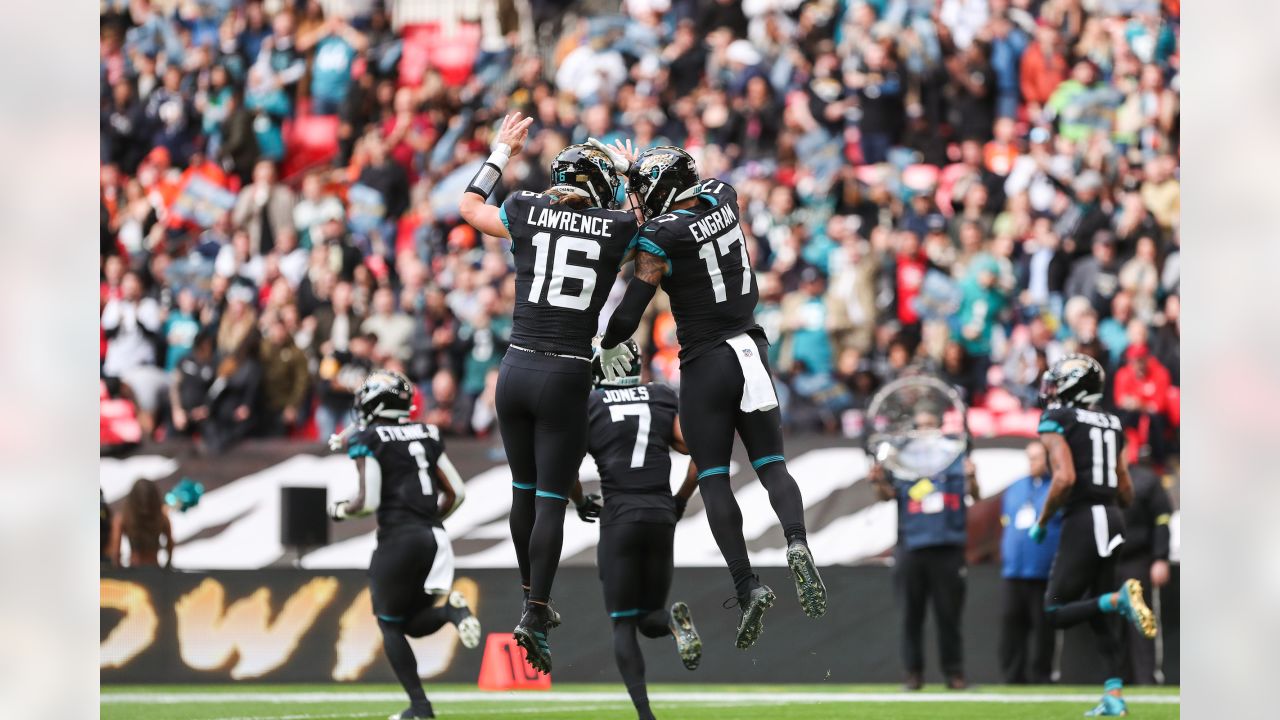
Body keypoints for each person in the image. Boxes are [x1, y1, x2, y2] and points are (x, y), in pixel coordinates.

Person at [599, 144, 827, 651]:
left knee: (716, 476)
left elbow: (628, 312)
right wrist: (642, 174)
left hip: (707, 361)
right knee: (771, 464)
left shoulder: (660, 237)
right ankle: (796, 541)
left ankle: (747, 586)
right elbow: (697, 199)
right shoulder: (724, 198)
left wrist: (604, 343)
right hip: (752, 349)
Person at [458, 114, 639, 674]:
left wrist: (500, 152)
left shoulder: (523, 210)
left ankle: (529, 595)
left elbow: (469, 207)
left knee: (523, 488)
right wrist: (631, 175)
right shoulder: (614, 227)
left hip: (514, 369)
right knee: (548, 501)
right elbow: (651, 227)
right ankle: (536, 610)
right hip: (565, 372)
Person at [327, 370, 480, 720]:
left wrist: (338, 510)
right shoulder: (426, 431)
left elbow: (367, 501)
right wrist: (429, 521)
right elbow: (457, 492)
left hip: (399, 537)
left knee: (390, 622)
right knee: (409, 622)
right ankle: (450, 612)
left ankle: (421, 708)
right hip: (434, 538)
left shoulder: (369, 436)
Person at [1031, 354, 1158, 716]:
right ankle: (1114, 696)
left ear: (1073, 385)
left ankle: (1118, 600)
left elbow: (1065, 478)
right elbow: (1126, 489)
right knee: (1098, 607)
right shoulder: (1112, 421)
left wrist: (1042, 521)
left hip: (1084, 518)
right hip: (1115, 517)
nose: (1052, 391)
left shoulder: (1057, 418)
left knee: (1055, 611)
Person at [582, 341, 702, 720]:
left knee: (622, 623)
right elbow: (701, 451)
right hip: (660, 515)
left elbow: (562, 465)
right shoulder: (661, 395)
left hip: (620, 515)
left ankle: (645, 715)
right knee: (651, 618)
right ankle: (672, 623)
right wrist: (680, 499)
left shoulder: (591, 404)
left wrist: (578, 500)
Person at [869, 411, 980, 690]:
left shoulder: (955, 457)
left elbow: (975, 494)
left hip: (948, 547)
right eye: (921, 426)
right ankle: (913, 673)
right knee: (910, 615)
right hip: (911, 547)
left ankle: (954, 673)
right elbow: (886, 496)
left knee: (949, 615)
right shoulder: (901, 460)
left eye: (931, 425)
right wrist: (878, 480)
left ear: (940, 427)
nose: (926, 431)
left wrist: (972, 476)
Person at [999, 440, 1062, 684]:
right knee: (1011, 626)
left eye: (1037, 457)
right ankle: (1012, 677)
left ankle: (1043, 676)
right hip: (1014, 572)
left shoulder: (1058, 487)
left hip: (1046, 573)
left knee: (1045, 627)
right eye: (1030, 457)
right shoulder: (1015, 488)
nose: (1032, 462)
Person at [1118, 463, 1174, 685]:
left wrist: (1160, 557)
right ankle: (1117, 680)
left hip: (1137, 560)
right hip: (1108, 562)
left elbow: (1162, 519)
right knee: (1112, 624)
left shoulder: (1145, 479)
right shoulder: (1099, 477)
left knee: (1141, 619)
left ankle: (1147, 679)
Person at [108, 478, 174, 568]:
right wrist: (167, 566)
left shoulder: (123, 518)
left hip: (134, 569)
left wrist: (120, 572)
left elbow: (116, 552)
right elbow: (170, 545)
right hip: (155, 568)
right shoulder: (162, 517)